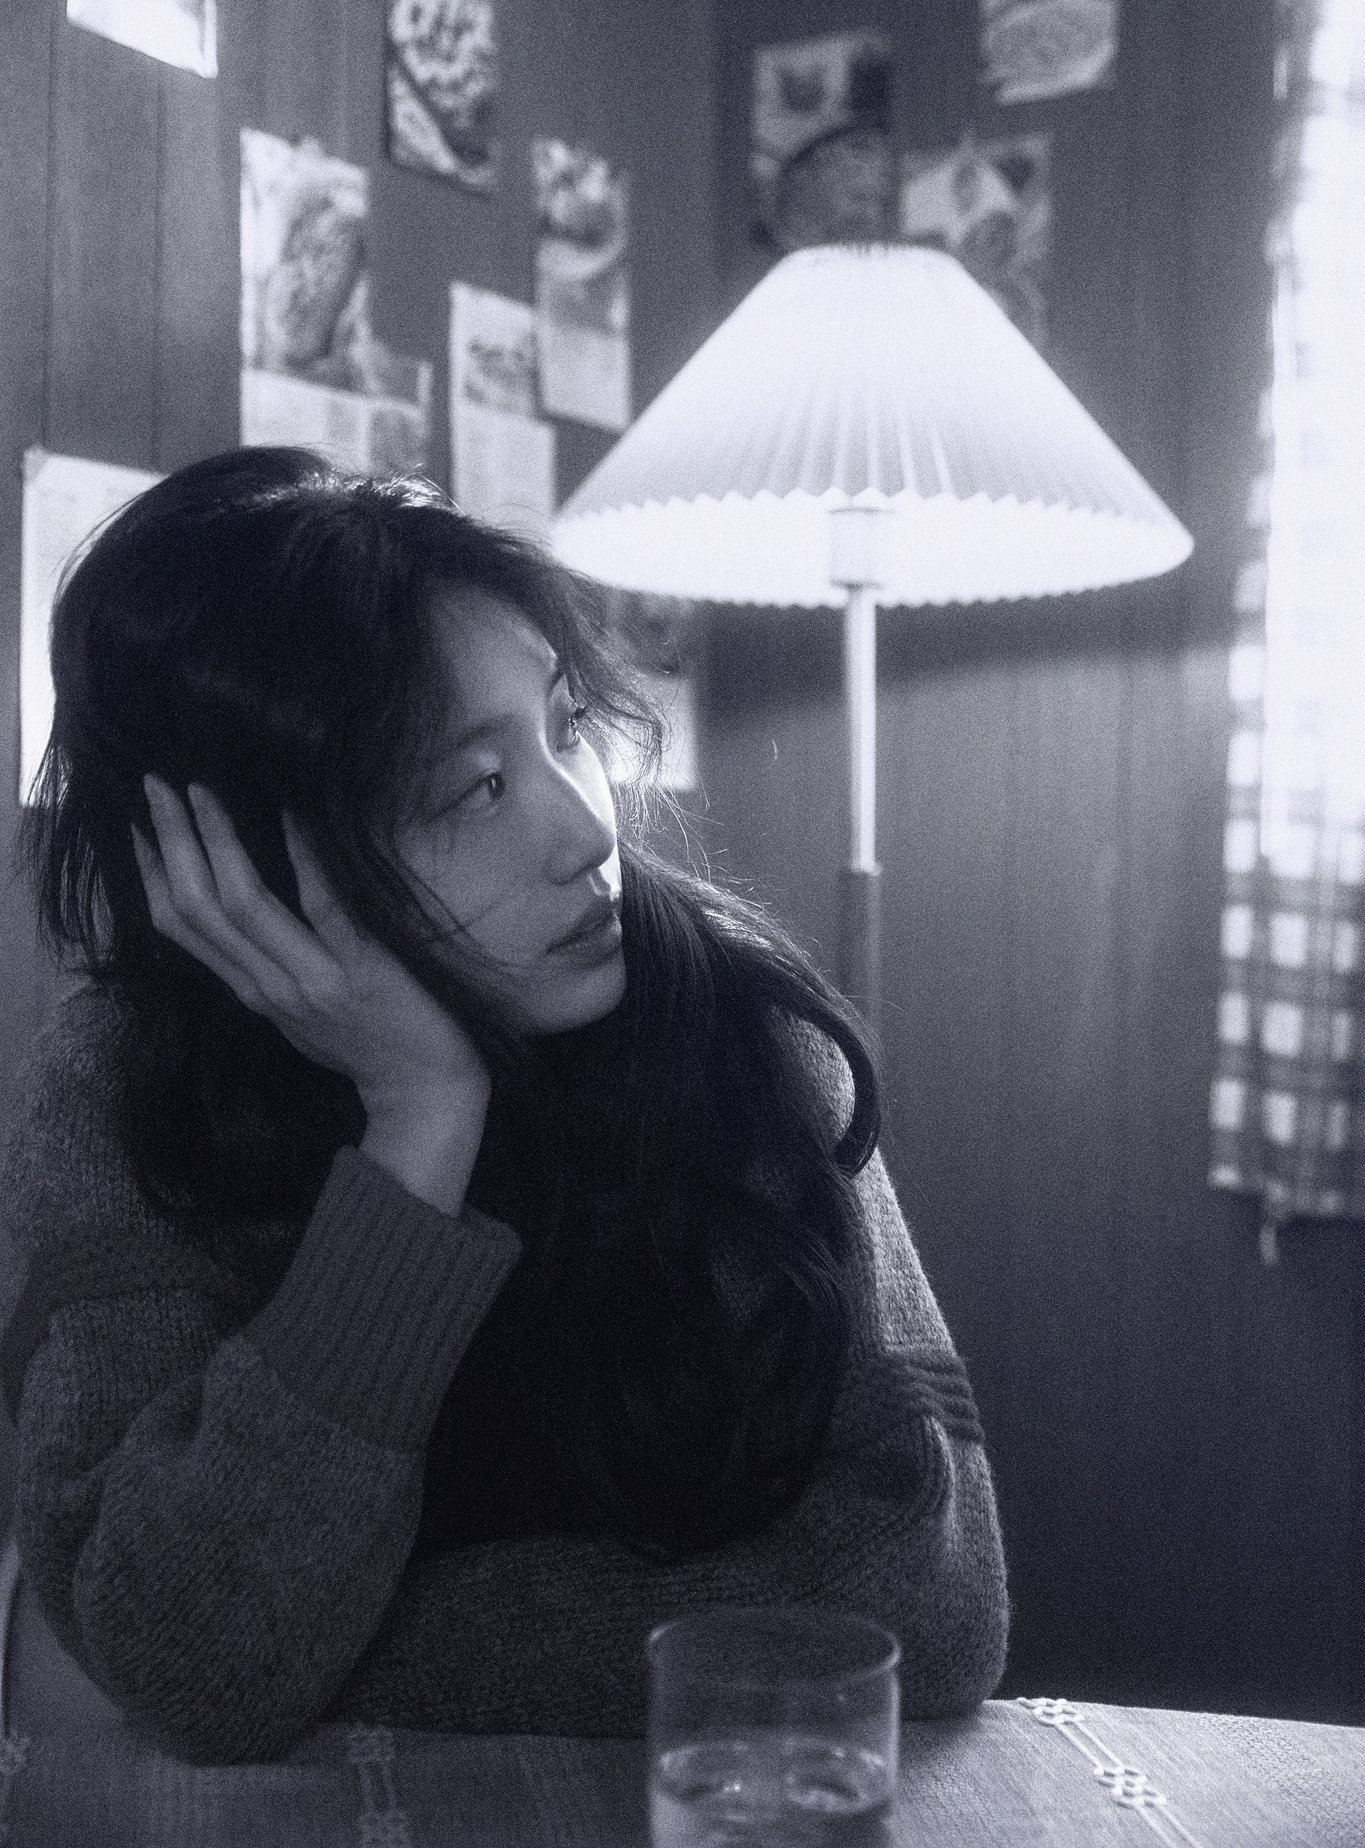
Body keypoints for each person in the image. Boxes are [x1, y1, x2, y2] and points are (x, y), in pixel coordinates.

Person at [0, 447, 1008, 1767]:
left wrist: (343, 1658)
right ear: (255, 862)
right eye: (474, 787)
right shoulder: (119, 1092)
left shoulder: (734, 1020)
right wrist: (419, 1122)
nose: (587, 832)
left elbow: (925, 1604)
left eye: (567, 727)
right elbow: (189, 1650)